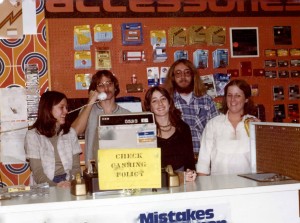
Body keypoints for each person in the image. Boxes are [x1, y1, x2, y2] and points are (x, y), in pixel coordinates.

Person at [196, 79, 260, 176]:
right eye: (229, 95)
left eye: (238, 95)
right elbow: (203, 163)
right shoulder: (213, 124)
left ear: (246, 99)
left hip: (248, 186)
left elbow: (263, 161)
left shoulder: (254, 123)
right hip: (219, 187)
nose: (233, 99)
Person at [71, 70, 130, 166]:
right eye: (101, 85)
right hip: (94, 170)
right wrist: (90, 102)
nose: (106, 88)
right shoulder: (88, 111)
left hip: (119, 169)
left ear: (115, 87)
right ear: (95, 90)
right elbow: (74, 132)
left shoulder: (126, 114)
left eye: (109, 83)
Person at [164, 59, 219, 160]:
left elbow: (218, 130)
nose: (183, 77)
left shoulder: (206, 100)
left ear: (193, 76)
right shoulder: (167, 102)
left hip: (205, 158)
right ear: (172, 78)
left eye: (187, 73)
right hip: (178, 159)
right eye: (178, 73)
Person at [24, 91, 81, 187]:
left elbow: (76, 167)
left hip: (68, 181)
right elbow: (38, 173)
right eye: (61, 107)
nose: (66, 111)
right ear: (48, 109)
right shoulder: (33, 136)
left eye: (66, 107)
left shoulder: (70, 132)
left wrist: (70, 182)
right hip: (45, 184)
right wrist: (55, 186)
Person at [144, 86, 196, 182]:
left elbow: (190, 161)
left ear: (169, 103)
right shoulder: (145, 131)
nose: (160, 104)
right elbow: (145, 166)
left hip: (182, 182)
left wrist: (190, 173)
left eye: (163, 99)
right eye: (154, 101)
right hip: (156, 182)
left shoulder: (183, 128)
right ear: (150, 107)